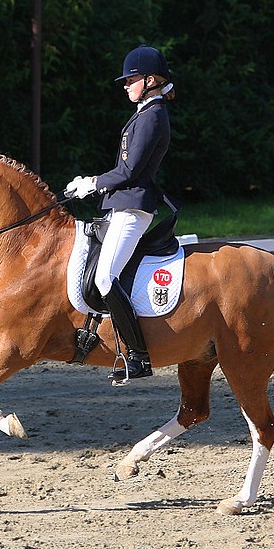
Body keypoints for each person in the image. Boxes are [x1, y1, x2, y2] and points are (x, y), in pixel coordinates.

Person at [64, 44, 175, 384]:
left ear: (151, 80)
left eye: (131, 79)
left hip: (132, 208)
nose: (126, 85)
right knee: (97, 271)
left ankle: (138, 356)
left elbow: (129, 171)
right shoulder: (144, 114)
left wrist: (93, 183)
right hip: (121, 205)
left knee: (104, 277)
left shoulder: (153, 116)